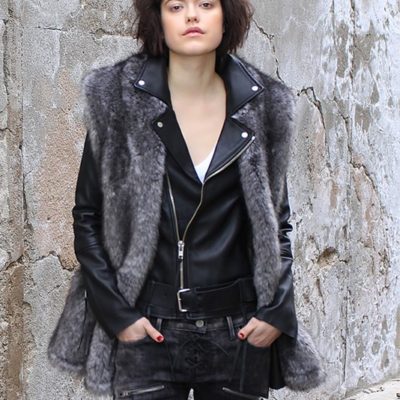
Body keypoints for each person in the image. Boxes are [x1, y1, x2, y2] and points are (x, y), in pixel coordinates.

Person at [47, 0, 326, 398]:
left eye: (206, 4)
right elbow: (88, 216)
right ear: (157, 18)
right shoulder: (118, 100)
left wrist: (276, 311)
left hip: (237, 330)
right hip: (147, 327)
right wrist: (118, 315)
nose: (192, 15)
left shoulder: (262, 104)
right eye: (176, 6)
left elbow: (276, 220)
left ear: (226, 16)